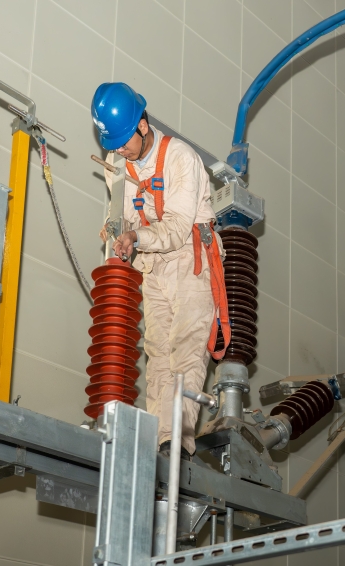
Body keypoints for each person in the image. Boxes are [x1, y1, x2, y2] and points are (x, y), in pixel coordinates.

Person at [92, 82, 226, 460]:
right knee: (158, 354)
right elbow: (127, 216)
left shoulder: (181, 158)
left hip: (189, 259)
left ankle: (177, 444)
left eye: (123, 141)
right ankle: (160, 443)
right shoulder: (118, 165)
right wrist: (117, 229)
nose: (119, 149)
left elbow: (177, 228)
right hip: (152, 265)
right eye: (113, 143)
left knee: (186, 349)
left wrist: (136, 236)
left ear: (143, 125)